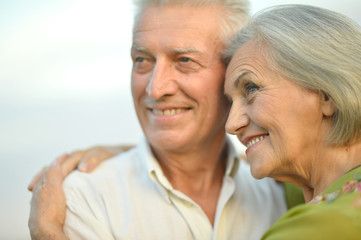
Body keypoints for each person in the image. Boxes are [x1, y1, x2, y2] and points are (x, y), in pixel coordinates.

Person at [28, 0, 294, 239]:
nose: (155, 89)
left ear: (235, 71)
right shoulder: (84, 198)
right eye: (142, 59)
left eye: (185, 60)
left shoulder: (282, 194)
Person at [223, 4, 361, 239]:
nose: (231, 125)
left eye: (251, 88)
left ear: (327, 94)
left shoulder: (318, 228)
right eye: (229, 103)